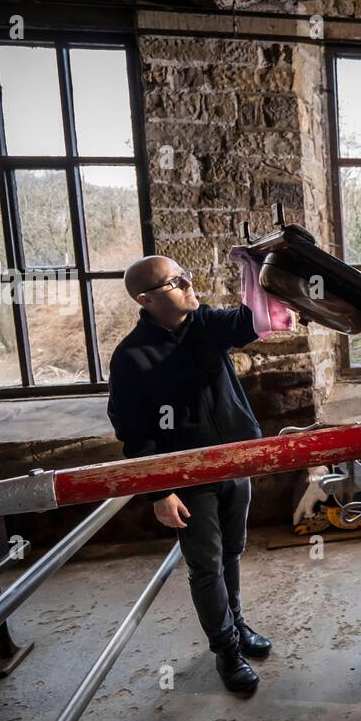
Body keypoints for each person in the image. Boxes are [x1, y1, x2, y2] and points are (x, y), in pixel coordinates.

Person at [107, 255, 272, 694]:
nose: (189, 283)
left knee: (232, 553)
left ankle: (237, 626)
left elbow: (253, 320)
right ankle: (226, 651)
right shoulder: (131, 357)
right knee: (206, 567)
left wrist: (256, 268)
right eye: (176, 281)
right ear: (146, 299)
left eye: (187, 275)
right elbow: (133, 431)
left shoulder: (205, 324)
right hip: (187, 476)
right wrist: (160, 492)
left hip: (235, 461)